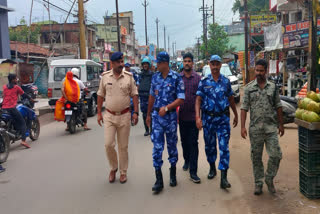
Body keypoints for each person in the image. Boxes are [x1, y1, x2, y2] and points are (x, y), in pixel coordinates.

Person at [241, 59, 284, 195]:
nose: (258, 73)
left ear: (265, 71)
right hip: (255, 129)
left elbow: (278, 106)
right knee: (256, 157)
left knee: (276, 155)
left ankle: (269, 178)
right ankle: (258, 183)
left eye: (261, 70)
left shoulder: (272, 87)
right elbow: (243, 108)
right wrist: (242, 126)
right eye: (257, 70)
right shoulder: (249, 88)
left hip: (271, 128)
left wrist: (281, 124)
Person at [195, 55, 238, 189]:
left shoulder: (225, 81)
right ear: (209, 65)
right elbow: (198, 100)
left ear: (220, 65)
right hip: (208, 119)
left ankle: (223, 177)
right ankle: (212, 167)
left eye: (217, 64)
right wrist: (198, 117)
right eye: (212, 64)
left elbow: (231, 98)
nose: (214, 67)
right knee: (210, 146)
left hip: (222, 119)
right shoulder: (204, 81)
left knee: (224, 147)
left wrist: (235, 114)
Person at [97, 52, 139, 184]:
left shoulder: (129, 77)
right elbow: (100, 95)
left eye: (122, 61)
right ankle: (113, 167)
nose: (122, 64)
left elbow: (134, 95)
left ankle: (123, 172)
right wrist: (99, 113)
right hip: (109, 116)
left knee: (123, 146)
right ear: (112, 64)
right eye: (119, 62)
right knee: (108, 144)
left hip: (125, 115)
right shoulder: (105, 77)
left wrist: (136, 112)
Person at [146, 51, 185, 193]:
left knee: (172, 146)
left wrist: (167, 108)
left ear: (165, 63)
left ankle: (173, 173)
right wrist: (149, 115)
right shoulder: (155, 77)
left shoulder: (176, 78)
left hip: (170, 118)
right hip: (157, 117)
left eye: (158, 63)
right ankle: (159, 179)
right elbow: (151, 96)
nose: (156, 65)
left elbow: (181, 99)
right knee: (157, 148)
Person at [179, 52, 202, 183]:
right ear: (183, 63)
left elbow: (201, 100)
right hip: (182, 117)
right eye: (185, 61)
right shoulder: (178, 78)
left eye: (189, 61)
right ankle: (186, 160)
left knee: (194, 143)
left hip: (194, 117)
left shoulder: (198, 79)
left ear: (192, 63)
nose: (187, 63)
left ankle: (193, 172)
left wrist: (200, 118)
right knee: (184, 143)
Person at [2, 73, 31, 148]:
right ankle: (23, 141)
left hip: (4, 108)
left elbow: (5, 96)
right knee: (23, 123)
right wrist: (31, 99)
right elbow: (24, 95)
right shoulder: (16, 87)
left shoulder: (4, 87)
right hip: (12, 108)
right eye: (15, 79)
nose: (16, 80)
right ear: (12, 80)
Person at [138, 58, 153, 136]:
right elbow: (137, 85)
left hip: (150, 97)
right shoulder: (140, 75)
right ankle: (146, 129)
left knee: (151, 113)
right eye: (144, 64)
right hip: (142, 97)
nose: (145, 65)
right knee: (144, 114)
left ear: (149, 65)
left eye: (146, 64)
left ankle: (151, 129)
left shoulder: (152, 75)